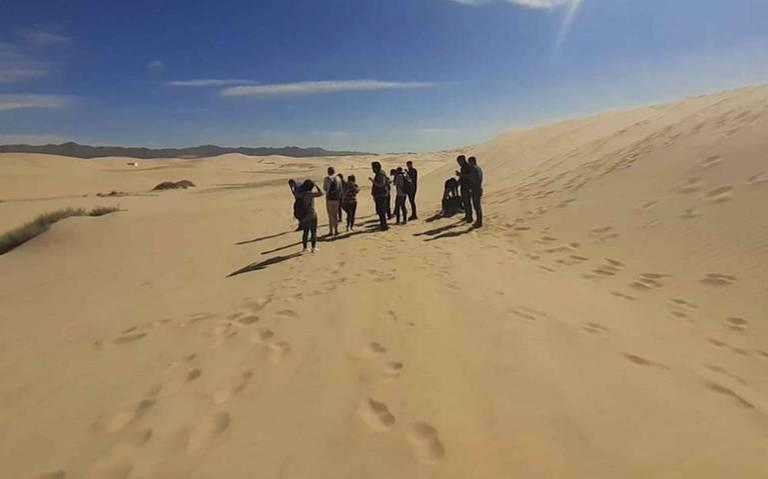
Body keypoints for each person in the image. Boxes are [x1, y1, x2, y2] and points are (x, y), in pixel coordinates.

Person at [296, 180, 323, 253]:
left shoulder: (300, 194)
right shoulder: (310, 194)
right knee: (313, 231)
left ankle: (304, 248)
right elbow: (321, 193)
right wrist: (316, 185)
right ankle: (313, 248)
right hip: (312, 215)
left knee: (305, 232)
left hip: (303, 215)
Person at [323, 166, 343, 236]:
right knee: (335, 214)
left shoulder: (326, 179)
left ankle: (331, 231)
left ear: (328, 171)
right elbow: (340, 189)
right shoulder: (338, 178)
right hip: (336, 199)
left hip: (329, 199)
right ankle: (336, 230)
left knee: (330, 215)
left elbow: (325, 189)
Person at [370, 161, 389, 231]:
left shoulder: (380, 174)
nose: (372, 169)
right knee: (380, 211)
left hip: (381, 195)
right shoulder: (379, 173)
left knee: (381, 211)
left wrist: (373, 182)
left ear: (376, 168)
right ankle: (383, 225)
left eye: (373, 168)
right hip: (379, 195)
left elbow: (381, 184)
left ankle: (384, 226)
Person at [456, 155, 474, 223]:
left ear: (462, 160)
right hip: (464, 186)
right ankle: (467, 216)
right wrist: (458, 181)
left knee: (467, 202)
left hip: (467, 187)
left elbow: (469, 176)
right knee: (465, 202)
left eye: (459, 161)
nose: (458, 163)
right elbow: (463, 177)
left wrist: (460, 175)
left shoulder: (467, 167)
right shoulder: (463, 167)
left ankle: (470, 218)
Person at [468, 156, 483, 227]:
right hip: (479, 189)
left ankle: (479, 222)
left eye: (469, 162)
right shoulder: (479, 168)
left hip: (475, 190)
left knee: (477, 206)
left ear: (472, 161)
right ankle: (479, 221)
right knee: (478, 206)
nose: (469, 163)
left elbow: (473, 179)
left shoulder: (474, 169)